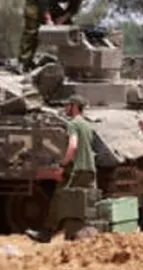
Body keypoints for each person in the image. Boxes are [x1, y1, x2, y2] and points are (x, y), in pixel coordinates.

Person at [27, 94, 98, 243]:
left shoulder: (73, 124)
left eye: (68, 105)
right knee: (90, 200)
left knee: (59, 199)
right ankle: (90, 232)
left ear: (75, 107)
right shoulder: (87, 125)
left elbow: (73, 145)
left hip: (75, 169)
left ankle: (46, 233)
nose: (66, 108)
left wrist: (63, 163)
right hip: (90, 168)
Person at [18, 0, 92, 70]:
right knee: (32, 29)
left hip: (51, 2)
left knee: (70, 29)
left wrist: (63, 18)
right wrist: (48, 19)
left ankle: (70, 63)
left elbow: (73, 8)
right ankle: (24, 62)